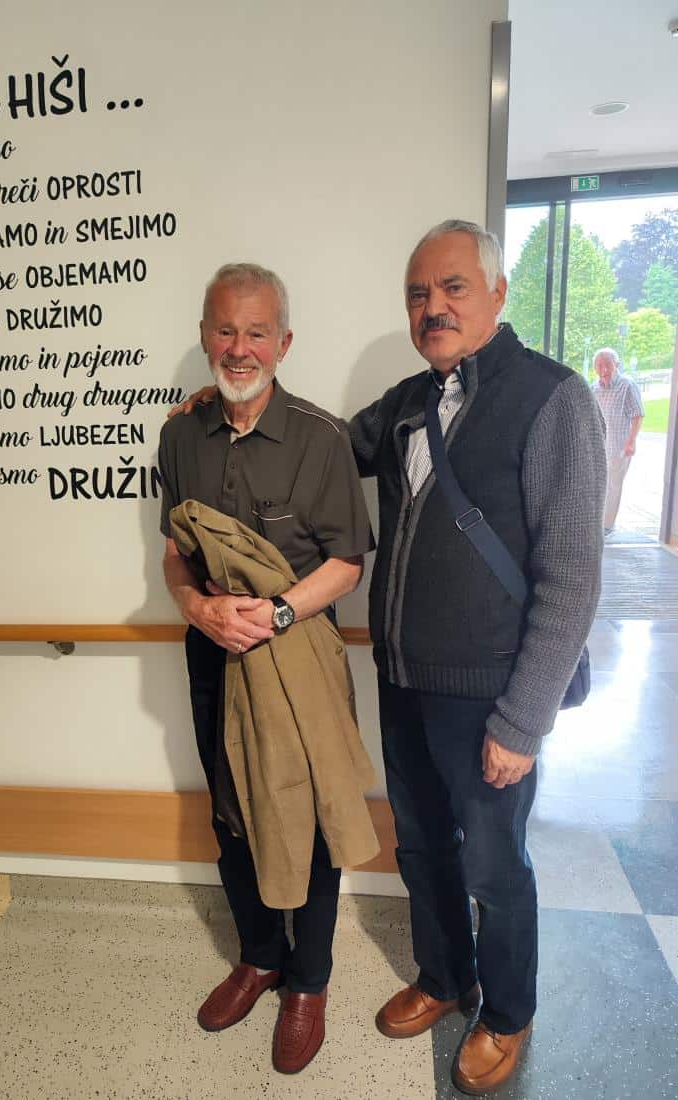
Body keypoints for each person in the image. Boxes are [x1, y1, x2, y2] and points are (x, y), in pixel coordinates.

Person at [349, 220, 606, 1094]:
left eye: (453, 287)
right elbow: (326, 445)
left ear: (497, 292)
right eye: (418, 293)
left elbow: (570, 580)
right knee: (421, 847)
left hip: (490, 696)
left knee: (493, 869)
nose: (433, 306)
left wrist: (522, 722)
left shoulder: (550, 397)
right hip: (402, 680)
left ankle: (506, 1012)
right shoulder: (406, 401)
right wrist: (239, 399)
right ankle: (443, 976)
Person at [158, 263, 375, 1074]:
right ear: (204, 335)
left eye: (256, 332)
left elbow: (346, 564)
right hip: (212, 648)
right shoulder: (180, 435)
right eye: (225, 330)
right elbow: (175, 554)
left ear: (284, 342)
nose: (239, 348)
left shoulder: (321, 437)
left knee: (306, 814)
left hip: (294, 653)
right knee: (230, 811)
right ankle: (258, 958)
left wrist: (276, 613)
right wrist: (198, 608)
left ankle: (308, 982)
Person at [591, 347, 644, 534]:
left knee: (614, 486)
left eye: (608, 364)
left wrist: (631, 441)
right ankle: (597, 521)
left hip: (619, 447)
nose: (604, 369)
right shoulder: (594, 388)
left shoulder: (627, 385)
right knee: (599, 484)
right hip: (600, 447)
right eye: (599, 365)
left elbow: (637, 415)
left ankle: (607, 525)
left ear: (617, 365)